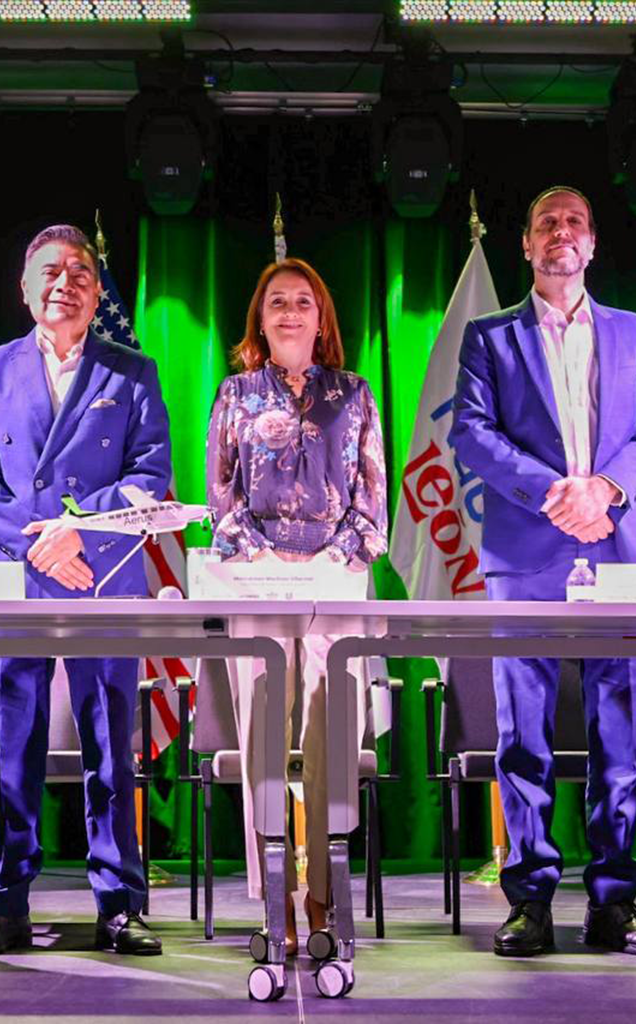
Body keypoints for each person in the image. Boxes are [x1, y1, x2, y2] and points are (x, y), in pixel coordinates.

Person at [451, 186, 636, 958]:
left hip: (616, 547)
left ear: (592, 244)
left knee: (622, 730)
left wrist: (605, 490)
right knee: (524, 734)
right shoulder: (489, 337)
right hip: (526, 552)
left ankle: (614, 902)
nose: (560, 232)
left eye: (574, 222)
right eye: (545, 222)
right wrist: (555, 492)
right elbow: (471, 432)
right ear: (525, 244)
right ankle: (531, 899)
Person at [0, 224, 171, 958]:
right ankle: (4, 903)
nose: (64, 283)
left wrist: (79, 533)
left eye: (80, 272)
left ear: (97, 290)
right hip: (14, 577)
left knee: (111, 748)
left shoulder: (132, 371)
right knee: (11, 749)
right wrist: (37, 539)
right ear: (25, 287)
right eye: (50, 271)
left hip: (102, 576)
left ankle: (120, 905)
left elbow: (150, 473)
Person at [206, 257, 387, 953]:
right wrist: (263, 556)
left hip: (334, 584)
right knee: (262, 741)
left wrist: (328, 559)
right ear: (260, 318)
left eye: (303, 302)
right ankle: (274, 896)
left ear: (321, 318)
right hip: (256, 583)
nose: (289, 312)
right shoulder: (235, 394)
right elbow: (220, 496)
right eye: (276, 301)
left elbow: (372, 501)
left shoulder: (354, 393)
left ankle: (324, 897)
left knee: (330, 738)